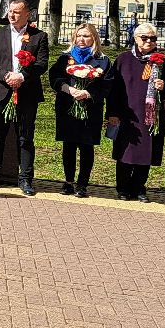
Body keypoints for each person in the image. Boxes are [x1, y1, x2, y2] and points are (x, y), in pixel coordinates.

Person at [0, 0, 49, 195]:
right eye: (10, 11)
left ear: (28, 14)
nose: (11, 15)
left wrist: (22, 76)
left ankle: (26, 178)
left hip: (26, 93)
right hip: (0, 92)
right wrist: (6, 76)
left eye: (17, 12)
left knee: (25, 138)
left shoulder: (39, 36)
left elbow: (42, 64)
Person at [105, 23, 165, 202]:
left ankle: (139, 187)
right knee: (125, 151)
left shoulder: (163, 61)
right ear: (135, 39)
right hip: (127, 114)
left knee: (146, 152)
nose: (149, 41)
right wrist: (112, 113)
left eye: (153, 38)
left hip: (150, 114)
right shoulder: (123, 59)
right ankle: (122, 188)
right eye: (144, 38)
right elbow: (113, 89)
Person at [47, 22, 111, 197]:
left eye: (86, 36)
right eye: (79, 36)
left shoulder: (102, 60)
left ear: (94, 38)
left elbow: (107, 85)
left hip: (90, 110)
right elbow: (54, 78)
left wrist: (88, 93)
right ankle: (68, 182)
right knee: (69, 145)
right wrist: (69, 89)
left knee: (86, 146)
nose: (82, 39)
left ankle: (82, 184)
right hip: (67, 107)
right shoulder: (65, 58)